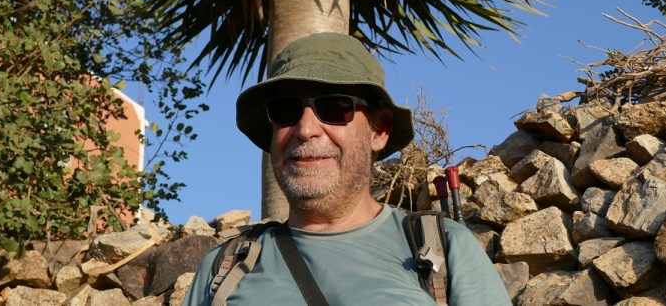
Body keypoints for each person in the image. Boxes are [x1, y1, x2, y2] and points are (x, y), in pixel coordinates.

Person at [182, 32, 513, 305]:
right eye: (285, 110)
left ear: (379, 130)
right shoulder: (224, 269)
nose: (305, 129)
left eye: (334, 107)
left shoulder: (444, 250)